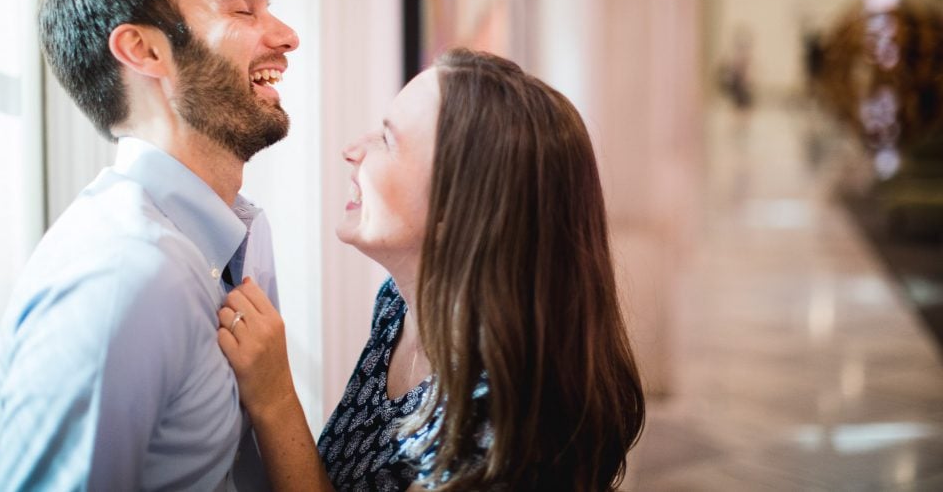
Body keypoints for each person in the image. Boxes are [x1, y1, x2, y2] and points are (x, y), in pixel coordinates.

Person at [218, 49, 646, 491]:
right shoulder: (398, 305)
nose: (353, 150)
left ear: (457, 210)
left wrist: (276, 398)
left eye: (388, 141)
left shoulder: (494, 431)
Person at [0, 0, 299, 490]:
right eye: (244, 10)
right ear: (144, 51)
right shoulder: (121, 277)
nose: (285, 36)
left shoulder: (242, 237)